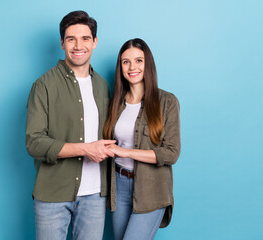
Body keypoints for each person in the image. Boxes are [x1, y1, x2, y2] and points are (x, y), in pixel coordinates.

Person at [25, 10, 115, 240]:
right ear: (62, 43)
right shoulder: (43, 85)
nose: (78, 45)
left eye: (85, 38)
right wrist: (86, 149)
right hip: (52, 195)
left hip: (95, 195)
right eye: (71, 39)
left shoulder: (102, 85)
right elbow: (34, 142)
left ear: (94, 42)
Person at [103, 38, 181, 240]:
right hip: (118, 186)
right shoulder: (115, 103)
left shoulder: (167, 101)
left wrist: (125, 152)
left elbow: (171, 153)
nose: (132, 67)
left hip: (151, 188)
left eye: (139, 60)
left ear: (148, 64)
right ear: (120, 67)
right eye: (126, 62)